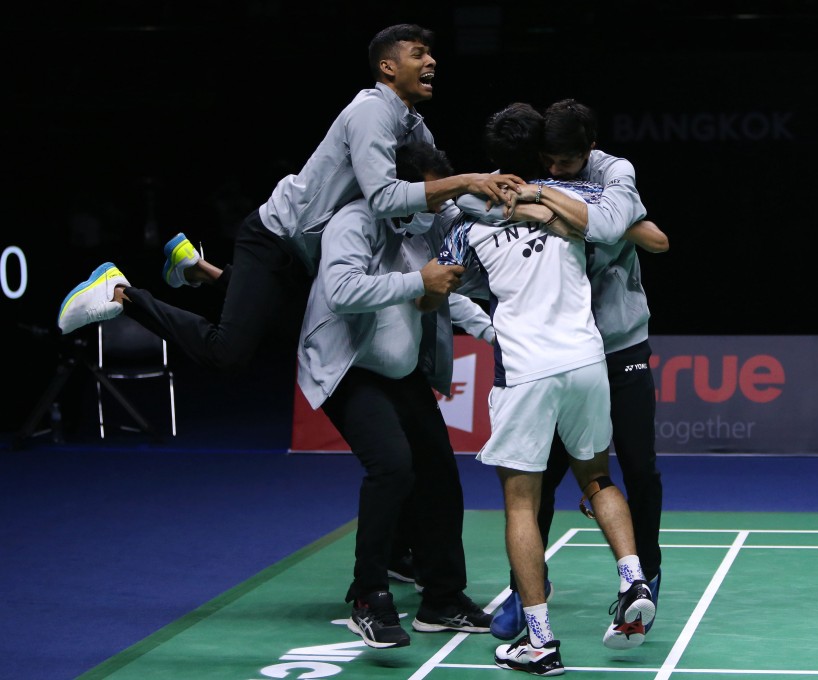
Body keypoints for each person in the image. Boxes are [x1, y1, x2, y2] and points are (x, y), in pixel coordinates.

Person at [55, 23, 523, 376]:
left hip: (314, 248)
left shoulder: (415, 126)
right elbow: (385, 198)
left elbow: (438, 200)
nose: (431, 61)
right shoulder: (370, 113)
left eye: (431, 54)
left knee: (295, 321)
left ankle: (198, 269)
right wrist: (466, 181)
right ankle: (122, 292)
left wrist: (510, 205)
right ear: (387, 67)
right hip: (278, 235)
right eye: (418, 53)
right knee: (229, 352)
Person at [443, 103, 656, 676]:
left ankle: (539, 637)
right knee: (597, 476)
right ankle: (633, 578)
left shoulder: (470, 214)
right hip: (587, 358)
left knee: (522, 501)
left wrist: (483, 325)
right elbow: (635, 234)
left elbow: (440, 286)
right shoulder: (571, 204)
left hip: (526, 366)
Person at [296, 141, 491, 649]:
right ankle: (369, 596)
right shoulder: (353, 223)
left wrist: (497, 335)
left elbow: (444, 293)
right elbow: (340, 291)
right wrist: (415, 281)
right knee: (391, 466)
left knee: (441, 475)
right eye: (427, 197)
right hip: (350, 370)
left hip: (401, 373)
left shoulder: (418, 233)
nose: (434, 209)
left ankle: (442, 599)